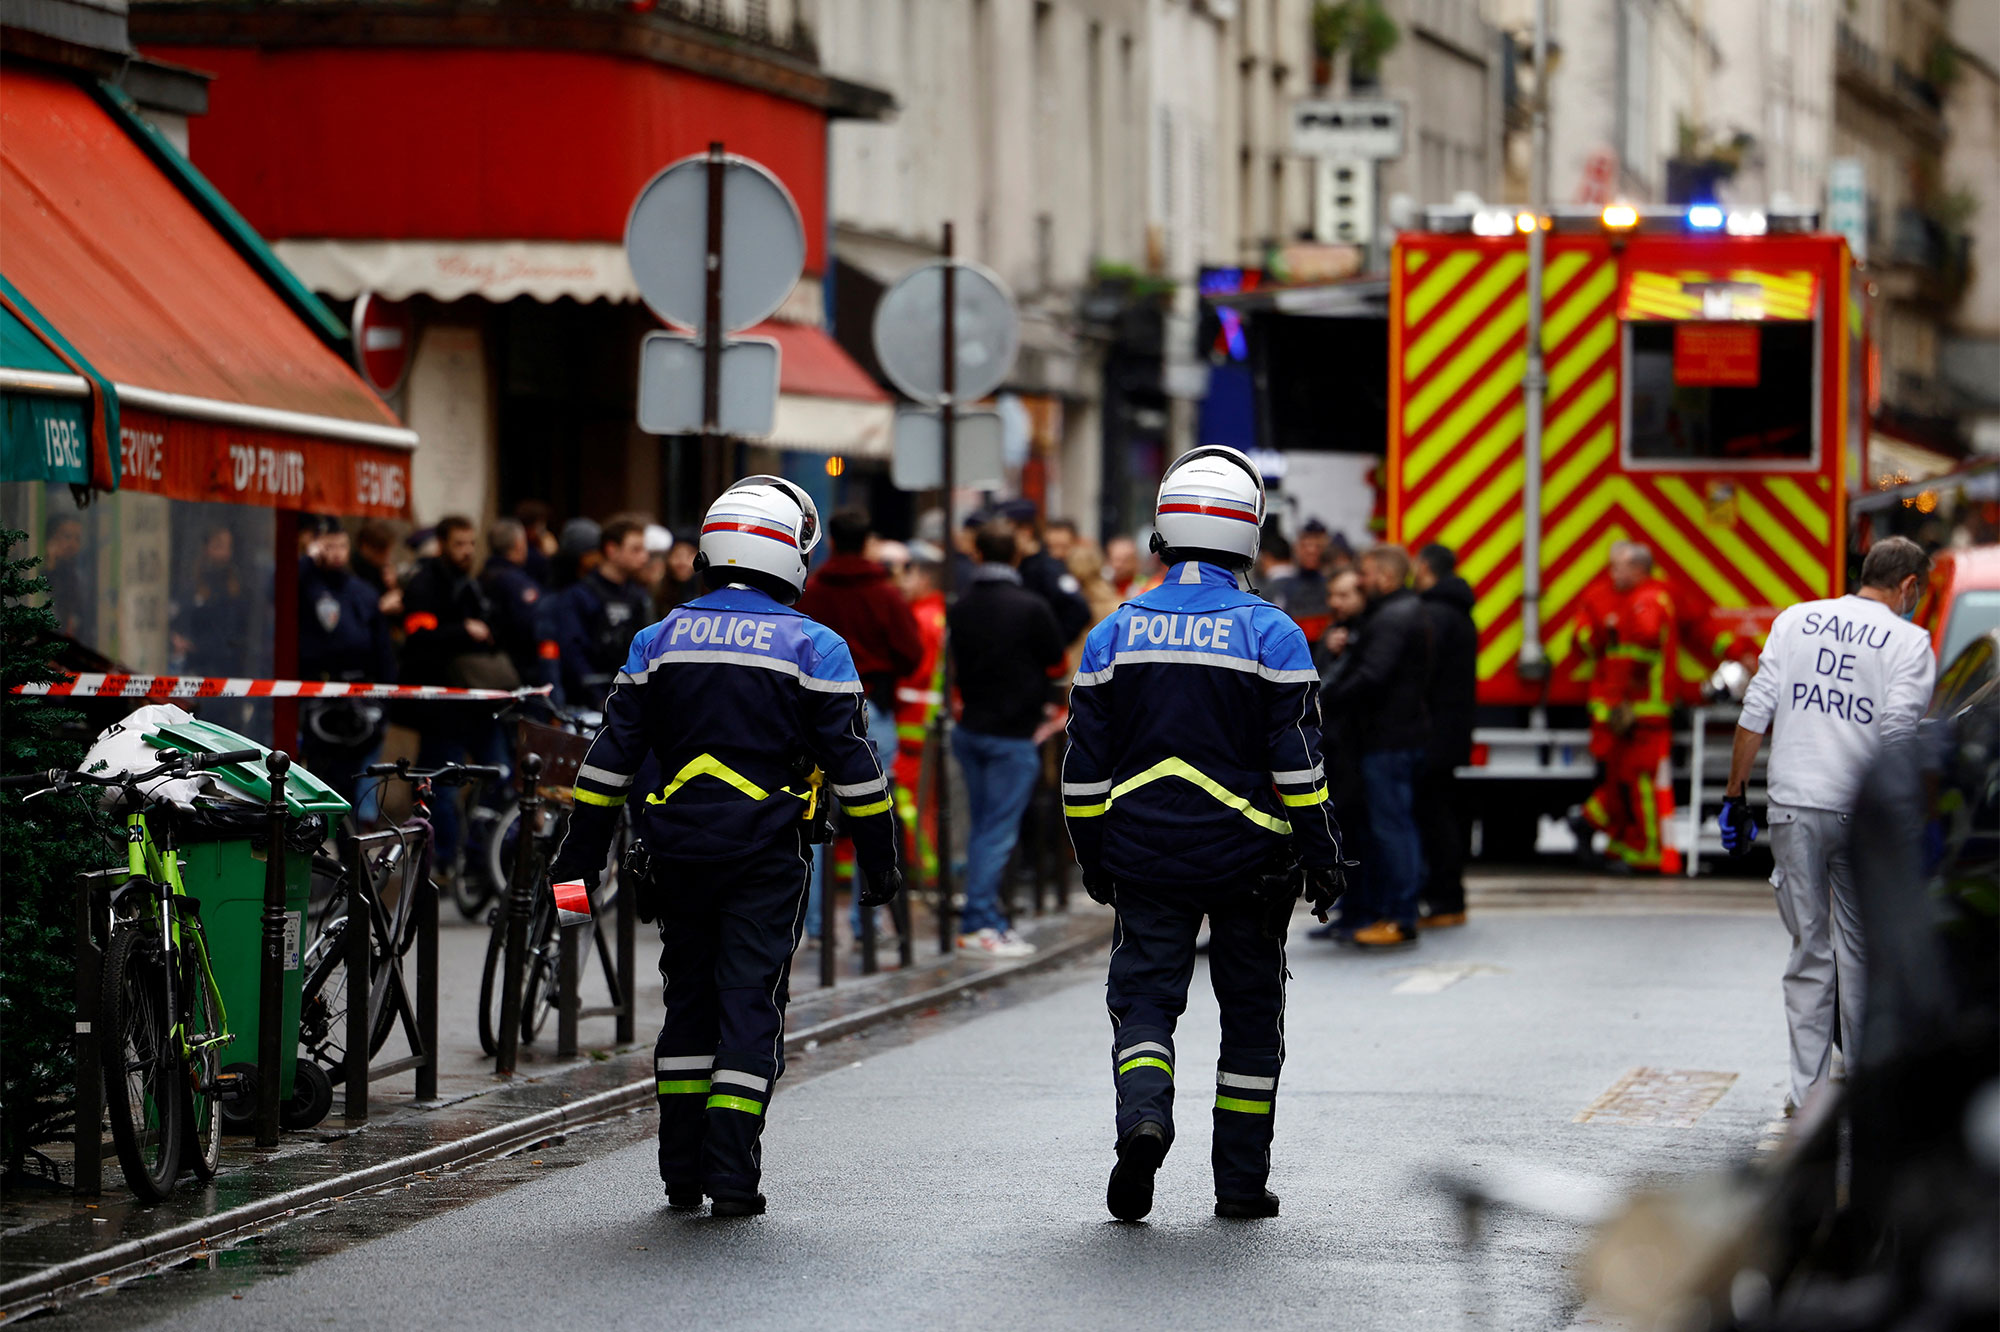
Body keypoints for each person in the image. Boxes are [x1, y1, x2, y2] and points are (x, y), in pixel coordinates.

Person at [547, 475, 901, 1217]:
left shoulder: (658, 638)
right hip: (766, 856)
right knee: (748, 1005)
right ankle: (733, 1178)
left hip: (672, 853)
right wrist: (880, 858)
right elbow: (855, 769)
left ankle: (680, 1171)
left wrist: (577, 856)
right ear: (790, 554)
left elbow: (607, 760)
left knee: (688, 1004)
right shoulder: (814, 644)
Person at [1064, 444, 1347, 1223]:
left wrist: (1096, 858)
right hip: (1252, 865)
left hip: (1145, 858)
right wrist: (1323, 859)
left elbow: (1082, 775)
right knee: (1250, 1023)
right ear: (1249, 534)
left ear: (1164, 531)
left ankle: (1144, 1120)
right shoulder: (1274, 635)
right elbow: (1300, 769)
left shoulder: (1112, 634)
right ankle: (1239, 1186)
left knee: (1145, 1006)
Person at [1720, 536, 1935, 1116]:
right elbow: (1896, 739)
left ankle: (1806, 1095)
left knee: (1808, 954)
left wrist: (1735, 795)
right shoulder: (1910, 642)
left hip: (1793, 806)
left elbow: (1754, 714)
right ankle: (1867, 1091)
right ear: (1909, 586)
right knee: (1862, 955)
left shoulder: (1796, 621)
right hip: (1859, 813)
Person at [794, 507, 923, 941]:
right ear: (867, 543)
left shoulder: (811, 591)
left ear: (830, 542)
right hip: (873, 708)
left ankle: (809, 923)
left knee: (811, 811)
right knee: (869, 806)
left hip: (809, 710)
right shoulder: (884, 594)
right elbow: (911, 651)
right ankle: (865, 922)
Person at [947, 521, 1067, 957]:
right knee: (996, 833)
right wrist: (1050, 706)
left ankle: (988, 917)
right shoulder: (1029, 607)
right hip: (1014, 734)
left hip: (971, 728)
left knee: (983, 829)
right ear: (1015, 557)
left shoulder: (960, 606)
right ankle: (980, 921)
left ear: (976, 555)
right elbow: (1056, 665)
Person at [1320, 543, 1432, 949]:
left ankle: (1401, 917)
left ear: (1384, 576)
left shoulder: (1390, 618)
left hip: (1387, 740)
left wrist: (1323, 699)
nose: (1360, 581)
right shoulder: (1397, 613)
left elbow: (1371, 675)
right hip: (1395, 736)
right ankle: (1394, 911)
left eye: (1365, 574)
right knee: (1392, 827)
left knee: (1392, 829)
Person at [398, 515, 514, 872]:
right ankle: (444, 859)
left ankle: (480, 854)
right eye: (459, 544)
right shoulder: (424, 585)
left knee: (501, 776)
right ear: (443, 544)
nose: (466, 551)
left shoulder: (473, 584)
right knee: (442, 789)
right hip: (444, 709)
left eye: (471, 543)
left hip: (479, 705)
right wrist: (463, 630)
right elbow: (418, 639)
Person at [1569, 542, 1677, 872]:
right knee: (1620, 780)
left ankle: (1624, 840)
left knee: (1636, 782)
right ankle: (1612, 836)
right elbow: (1584, 639)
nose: (1612, 573)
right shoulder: (1613, 597)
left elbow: (1639, 650)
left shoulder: (1647, 600)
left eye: (1618, 566)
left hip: (1639, 712)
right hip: (1622, 711)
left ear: (1637, 569)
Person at [297, 518, 396, 807]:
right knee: (317, 779)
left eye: (342, 545)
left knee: (352, 784)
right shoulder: (305, 583)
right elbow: (277, 589)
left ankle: (349, 846)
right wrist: (309, 559)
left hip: (358, 699)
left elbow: (382, 650)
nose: (336, 552)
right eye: (329, 546)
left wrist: (385, 704)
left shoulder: (361, 591)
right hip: (317, 694)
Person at [1413, 543, 1477, 928]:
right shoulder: (1458, 613)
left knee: (1433, 818)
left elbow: (1421, 674)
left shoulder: (1435, 615)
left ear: (1423, 568)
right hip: (1450, 732)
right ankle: (1446, 897)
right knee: (1443, 814)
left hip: (1432, 733)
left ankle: (1445, 899)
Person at [1311, 567, 1374, 938]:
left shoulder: (1364, 632)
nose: (1335, 603)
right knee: (1343, 831)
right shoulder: (1337, 634)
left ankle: (1361, 911)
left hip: (1356, 749)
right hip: (1336, 747)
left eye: (1344, 595)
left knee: (1358, 833)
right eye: (1333, 595)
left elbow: (1332, 690)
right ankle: (1348, 910)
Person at [546, 518, 656, 711]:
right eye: (636, 549)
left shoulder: (640, 597)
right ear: (612, 549)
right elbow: (573, 653)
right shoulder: (579, 595)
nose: (645, 557)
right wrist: (598, 697)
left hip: (632, 699)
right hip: (587, 703)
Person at [892, 542, 949, 881]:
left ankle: (921, 870)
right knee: (927, 804)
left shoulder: (920, 619)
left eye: (908, 574)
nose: (901, 582)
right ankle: (928, 869)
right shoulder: (939, 613)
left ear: (925, 576)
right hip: (929, 723)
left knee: (910, 804)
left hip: (912, 723)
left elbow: (914, 672)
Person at [999, 497, 1092, 642]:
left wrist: (1053, 646)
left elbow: (1079, 609)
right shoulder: (1020, 565)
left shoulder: (1047, 568)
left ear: (1025, 531)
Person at [480, 518, 549, 690]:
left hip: (493, 665)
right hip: (520, 668)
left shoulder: (482, 576)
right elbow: (535, 622)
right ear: (519, 544)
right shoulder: (517, 583)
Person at [1105, 534, 1143, 599]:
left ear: (1135, 562)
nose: (1118, 565)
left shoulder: (1142, 588)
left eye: (1124, 561)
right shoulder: (1103, 585)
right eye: (1115, 560)